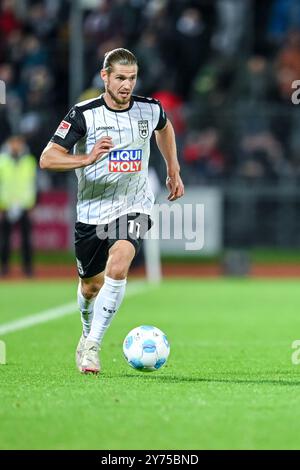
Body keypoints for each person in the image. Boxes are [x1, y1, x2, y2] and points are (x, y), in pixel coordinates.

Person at [40, 48, 184, 374]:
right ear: (105, 76)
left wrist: (173, 169)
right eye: (120, 78)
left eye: (131, 78)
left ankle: (92, 345)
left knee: (118, 265)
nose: (126, 85)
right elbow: (48, 158)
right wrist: (86, 158)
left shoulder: (149, 109)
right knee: (90, 287)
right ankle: (86, 331)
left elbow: (165, 128)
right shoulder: (83, 114)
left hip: (134, 204)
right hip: (92, 212)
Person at [0, 135, 37, 276]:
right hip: (6, 205)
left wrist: (32, 205)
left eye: (18, 143)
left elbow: (33, 185)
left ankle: (28, 269)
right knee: (4, 240)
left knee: (26, 240)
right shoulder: (2, 161)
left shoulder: (29, 161)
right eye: (13, 142)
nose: (16, 146)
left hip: (24, 206)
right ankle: (4, 268)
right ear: (9, 144)